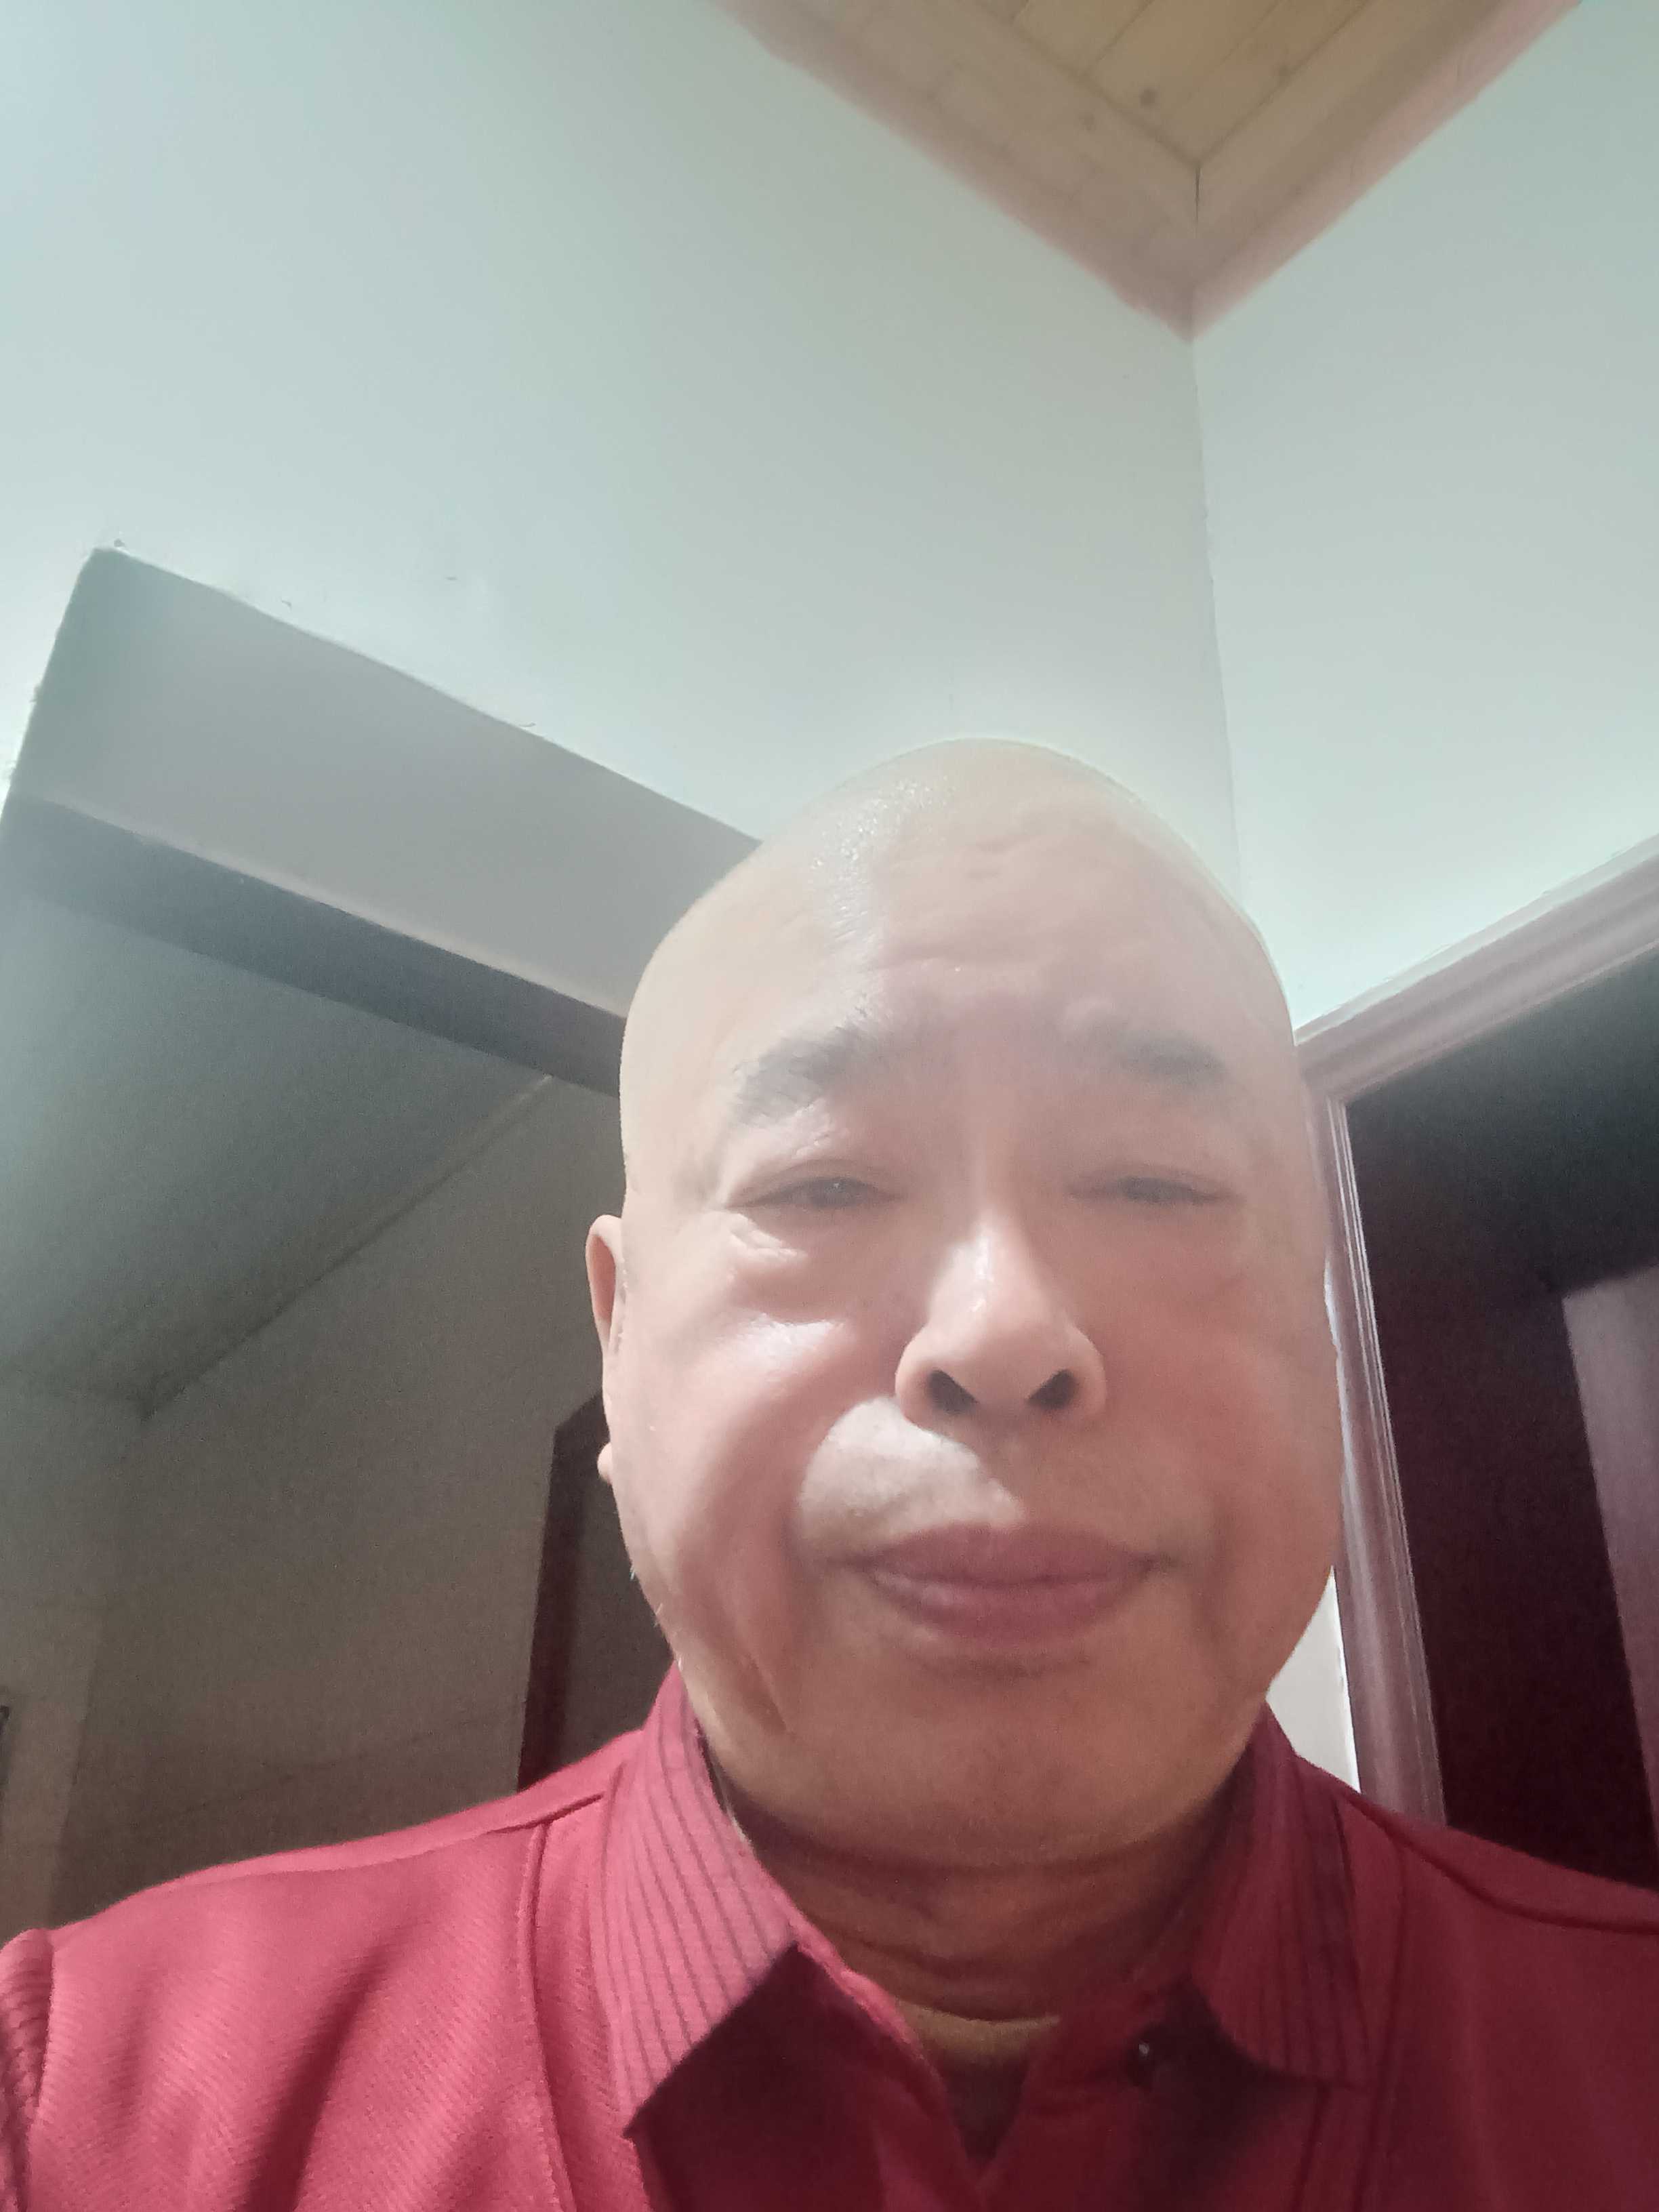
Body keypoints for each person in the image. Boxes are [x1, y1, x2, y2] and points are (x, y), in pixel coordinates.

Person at [2, 741, 1656, 2211]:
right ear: (620, 1336)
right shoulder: (81, 2104)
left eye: (1158, 1185)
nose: (1005, 1332)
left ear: (1313, 1311)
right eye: (821, 1185)